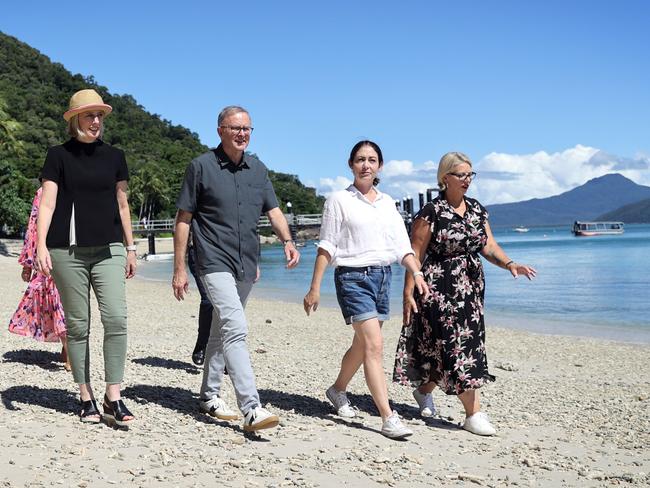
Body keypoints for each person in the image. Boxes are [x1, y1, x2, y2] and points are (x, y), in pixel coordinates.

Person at [172, 105, 300, 432]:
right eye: (235, 128)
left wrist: (287, 240)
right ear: (220, 130)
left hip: (246, 261)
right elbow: (183, 219)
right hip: (211, 259)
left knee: (220, 329)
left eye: (247, 129)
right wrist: (179, 269)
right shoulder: (200, 167)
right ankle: (251, 407)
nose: (242, 134)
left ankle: (209, 395)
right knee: (235, 326)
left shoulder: (258, 170)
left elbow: (273, 211)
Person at [393, 152, 536, 436]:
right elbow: (414, 255)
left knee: (446, 347)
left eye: (470, 175)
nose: (467, 180)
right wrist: (407, 293)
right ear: (445, 178)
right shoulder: (430, 213)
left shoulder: (477, 209)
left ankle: (423, 392)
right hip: (436, 288)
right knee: (458, 347)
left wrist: (510, 264)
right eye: (461, 175)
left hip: (470, 290)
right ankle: (474, 414)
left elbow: (488, 246)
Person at [303, 140, 429, 439]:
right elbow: (327, 245)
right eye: (360, 159)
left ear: (379, 166)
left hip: (383, 278)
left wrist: (417, 272)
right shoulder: (338, 200)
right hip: (352, 278)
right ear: (351, 164)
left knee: (362, 346)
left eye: (372, 160)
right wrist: (314, 287)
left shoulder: (387, 203)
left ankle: (337, 390)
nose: (366, 165)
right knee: (374, 346)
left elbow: (402, 246)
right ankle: (388, 417)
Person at [35, 89, 138, 426]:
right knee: (78, 326)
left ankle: (114, 395)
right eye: (89, 116)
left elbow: (123, 205)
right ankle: (85, 396)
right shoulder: (57, 156)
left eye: (99, 116)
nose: (95, 122)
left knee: (117, 320)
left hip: (110, 249)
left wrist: (132, 247)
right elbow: (47, 205)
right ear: (75, 119)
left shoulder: (115, 156)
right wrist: (40, 247)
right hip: (68, 252)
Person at [9, 187, 70, 371]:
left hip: (74, 254)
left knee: (68, 304)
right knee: (59, 303)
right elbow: (34, 226)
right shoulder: (43, 191)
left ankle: (69, 349)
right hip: (50, 255)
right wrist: (27, 264)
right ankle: (70, 350)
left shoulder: (76, 185)